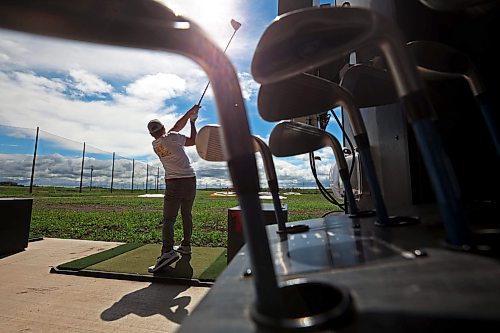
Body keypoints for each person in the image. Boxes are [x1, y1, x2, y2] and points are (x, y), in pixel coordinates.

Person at [147, 105, 200, 273]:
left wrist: (189, 113)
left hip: (173, 183)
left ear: (151, 133)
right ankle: (185, 246)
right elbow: (193, 140)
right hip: (190, 180)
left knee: (169, 219)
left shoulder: (156, 144)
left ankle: (167, 251)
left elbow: (176, 127)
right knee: (186, 214)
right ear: (163, 128)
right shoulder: (173, 137)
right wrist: (192, 121)